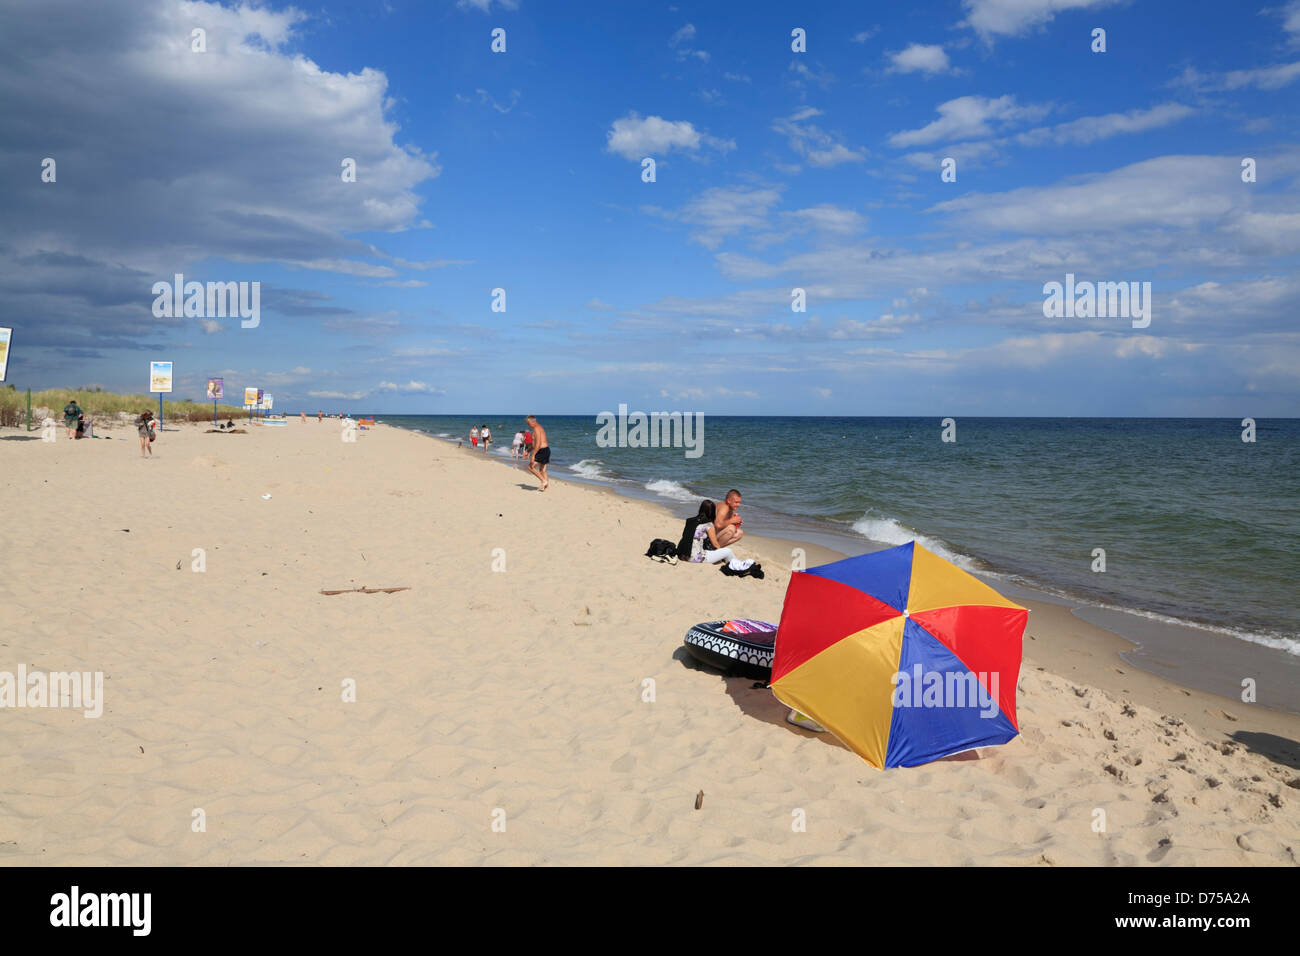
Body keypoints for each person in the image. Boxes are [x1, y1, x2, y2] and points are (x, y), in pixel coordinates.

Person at [525, 415, 549, 491]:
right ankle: (546, 488)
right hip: (546, 450)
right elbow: (533, 444)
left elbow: (538, 444)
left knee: (530, 467)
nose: (528, 425)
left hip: (541, 451)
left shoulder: (536, 428)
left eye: (529, 423)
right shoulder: (539, 428)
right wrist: (528, 451)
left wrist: (533, 455)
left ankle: (544, 481)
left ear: (533, 421)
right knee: (542, 470)